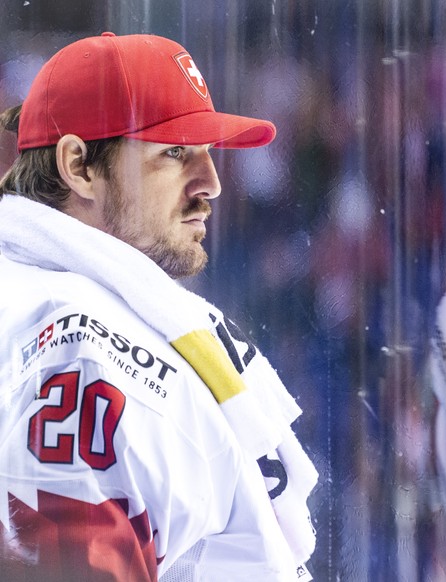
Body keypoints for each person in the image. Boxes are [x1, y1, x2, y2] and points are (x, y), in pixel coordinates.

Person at [0, 33, 318, 581]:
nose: (211, 184)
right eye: (174, 152)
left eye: (208, 152)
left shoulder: (49, 297)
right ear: (79, 166)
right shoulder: (81, 355)